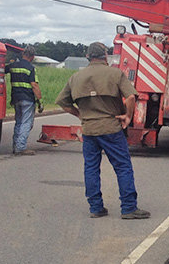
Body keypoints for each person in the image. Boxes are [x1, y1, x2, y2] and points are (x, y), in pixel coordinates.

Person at [56, 42, 150, 220]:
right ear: (105, 56)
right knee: (122, 166)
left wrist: (81, 115)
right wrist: (127, 117)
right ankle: (128, 207)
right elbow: (130, 97)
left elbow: (62, 102)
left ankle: (96, 207)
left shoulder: (76, 77)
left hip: (89, 129)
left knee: (91, 167)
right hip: (111, 127)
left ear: (87, 57)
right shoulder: (115, 74)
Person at [7, 45, 42, 155]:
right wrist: (40, 101)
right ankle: (21, 147)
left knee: (18, 122)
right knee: (26, 123)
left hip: (16, 98)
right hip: (27, 99)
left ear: (23, 54)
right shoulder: (30, 68)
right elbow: (34, 86)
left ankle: (16, 145)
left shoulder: (13, 65)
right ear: (32, 57)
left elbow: (1, 69)